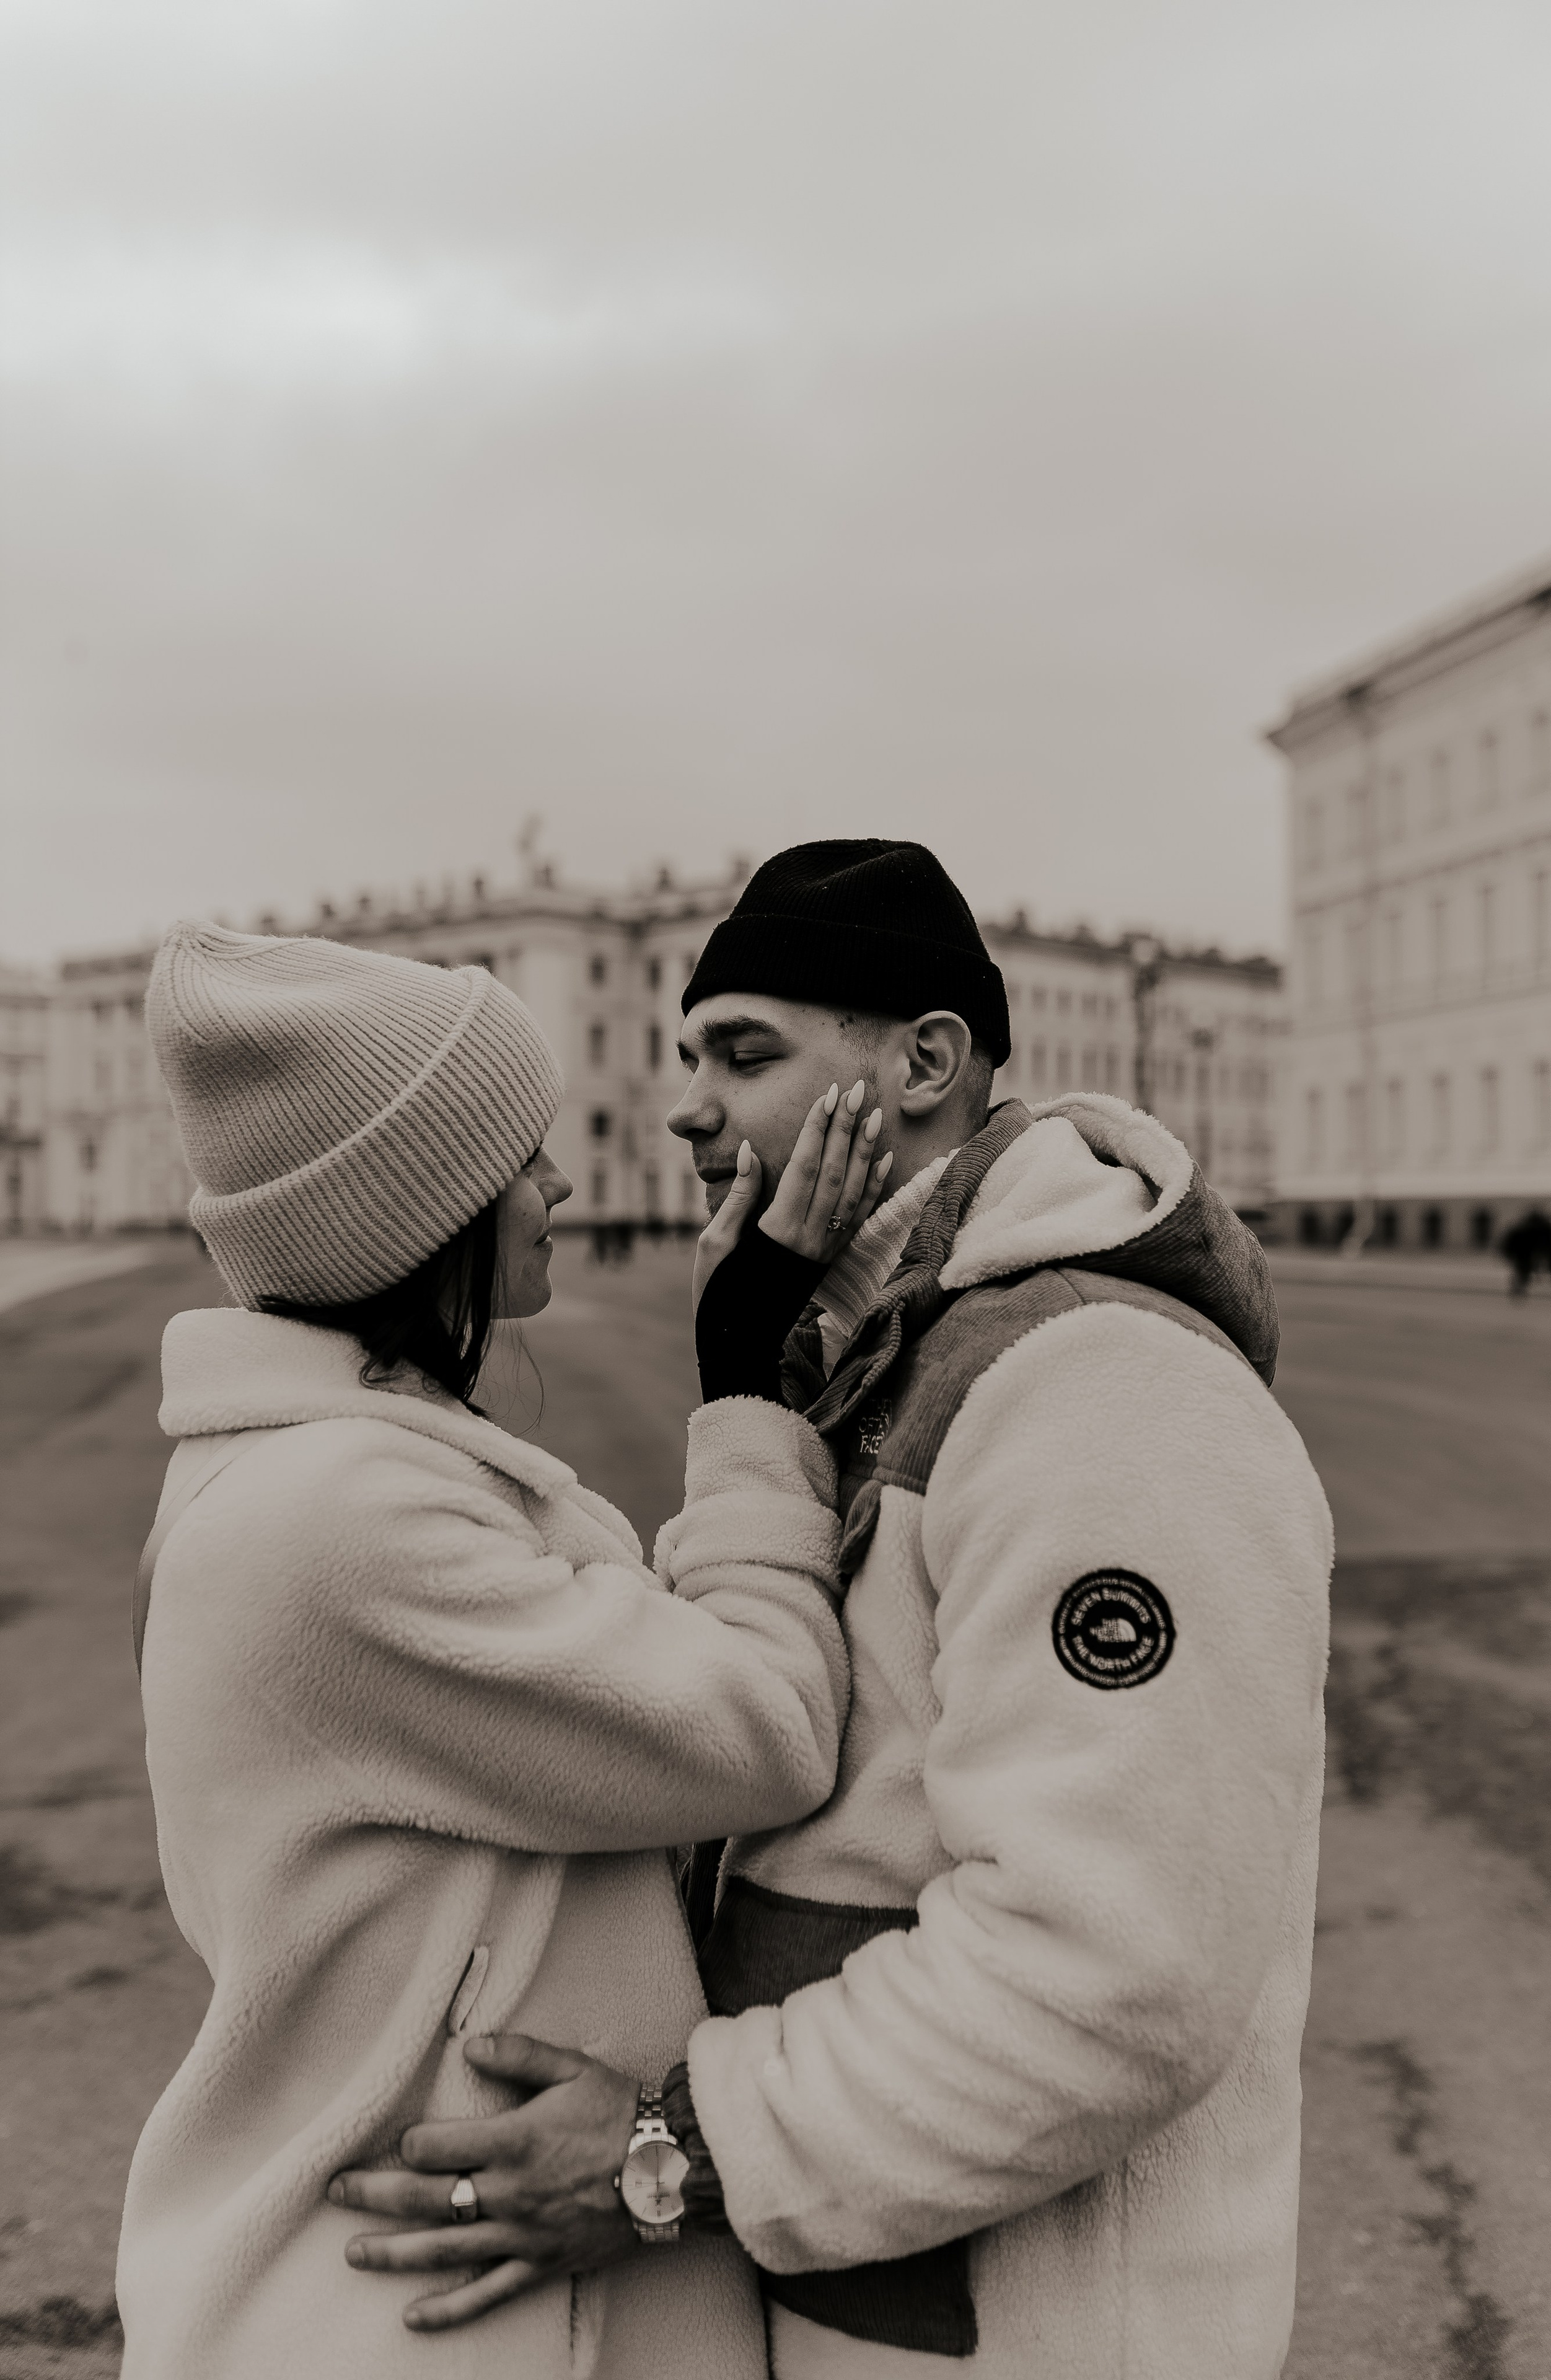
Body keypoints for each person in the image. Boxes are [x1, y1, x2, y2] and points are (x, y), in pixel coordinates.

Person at [337, 840, 1334, 2380]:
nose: (682, 1109)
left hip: (1033, 2332)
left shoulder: (1095, 1383)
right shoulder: (891, 1354)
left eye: (741, 1053)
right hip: (884, 2301)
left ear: (927, 1060)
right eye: (684, 1057)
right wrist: (747, 1384)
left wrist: (667, 2154)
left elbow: (1115, 1968)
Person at [116, 919, 894, 2380]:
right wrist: (747, 1389)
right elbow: (761, 1726)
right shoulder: (339, 1514)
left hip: (448, 2300)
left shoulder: (339, 1473)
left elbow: (614, 1670)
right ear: (413, 1211)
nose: (559, 1182)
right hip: (428, 2325)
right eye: (514, 1155)